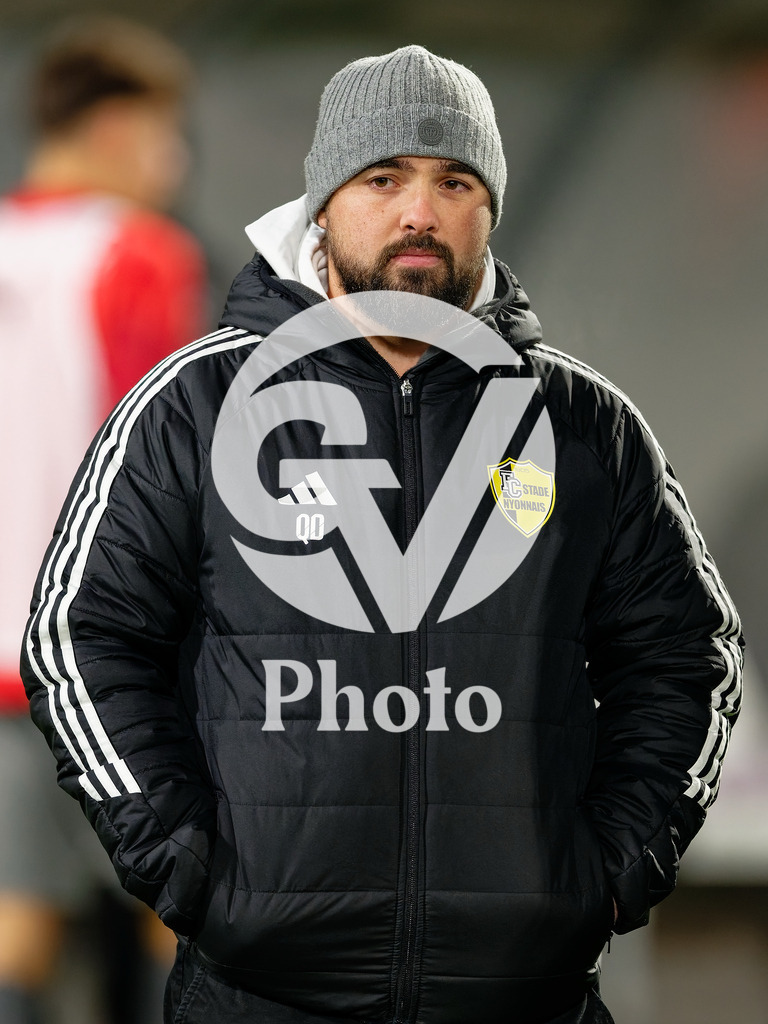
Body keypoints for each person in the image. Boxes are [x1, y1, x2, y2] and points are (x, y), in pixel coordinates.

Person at [20, 45, 742, 1024]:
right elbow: (79, 632)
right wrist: (185, 861)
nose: (420, 211)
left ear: (489, 207)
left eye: (455, 181)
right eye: (383, 178)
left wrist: (612, 867)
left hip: (524, 997)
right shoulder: (196, 405)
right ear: (323, 204)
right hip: (259, 995)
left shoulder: (583, 426)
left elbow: (687, 656)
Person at [0, 16, 207, 1024]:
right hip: (104, 649)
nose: (174, 162)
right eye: (167, 134)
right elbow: (157, 460)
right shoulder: (138, 256)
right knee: (182, 904)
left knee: (14, 919)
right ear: (119, 127)